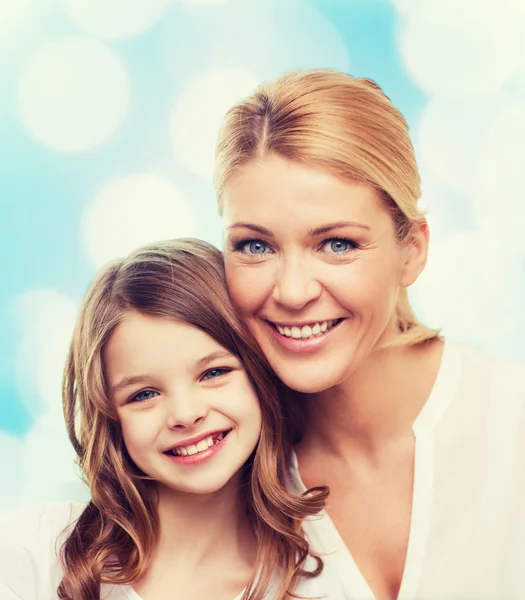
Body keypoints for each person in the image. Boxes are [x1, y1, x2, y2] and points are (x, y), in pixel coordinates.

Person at [214, 69, 525, 600]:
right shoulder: (216, 472)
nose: (291, 291)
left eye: (336, 244)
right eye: (255, 247)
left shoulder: (510, 417)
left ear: (413, 249)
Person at [0, 238, 345, 600]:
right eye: (143, 395)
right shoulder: (34, 552)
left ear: (259, 373)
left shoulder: (319, 581)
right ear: (110, 417)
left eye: (213, 373)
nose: (185, 414)